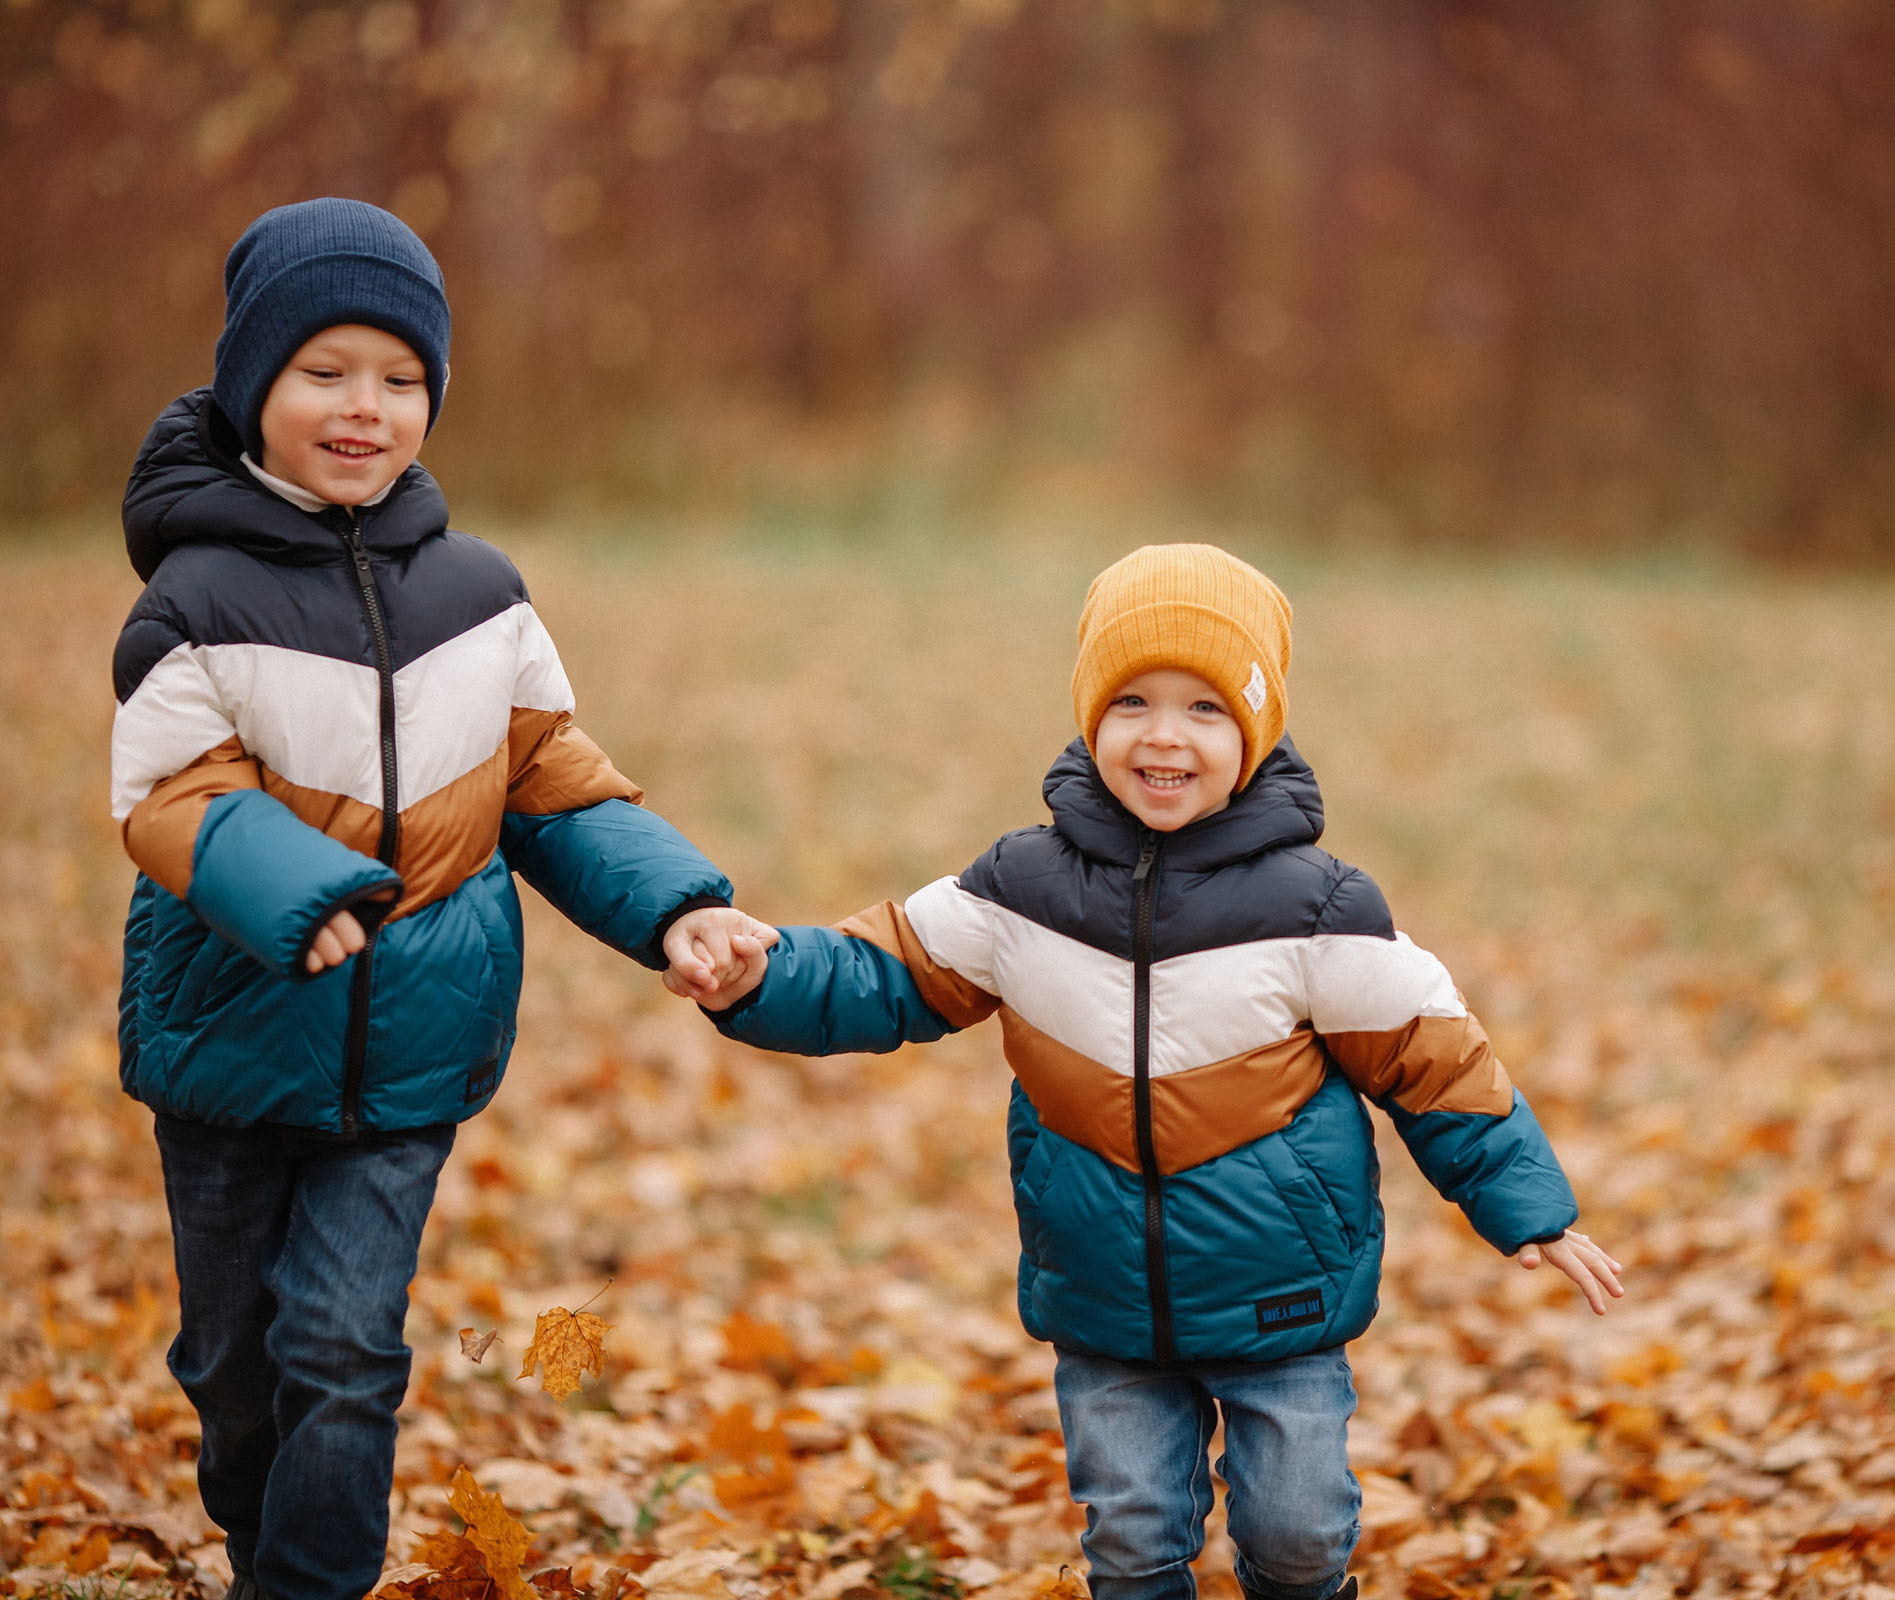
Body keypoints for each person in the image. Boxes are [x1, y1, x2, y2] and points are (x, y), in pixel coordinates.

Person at [673, 543, 1622, 1600]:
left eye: (1205, 708)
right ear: (1090, 717)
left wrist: (1528, 1207)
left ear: (1254, 732)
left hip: (1283, 1299)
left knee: (1299, 1536)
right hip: (1104, 1299)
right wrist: (756, 978)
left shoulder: (1317, 909)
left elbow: (1438, 1060)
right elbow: (880, 970)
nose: (1165, 734)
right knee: (1130, 1544)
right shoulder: (1021, 889)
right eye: (1132, 700)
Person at [109, 197, 773, 1600]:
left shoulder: (483, 597)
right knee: (235, 1366)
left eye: (402, 378)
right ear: (251, 386)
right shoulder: (190, 600)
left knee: (343, 1348)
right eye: (325, 372)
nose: (367, 408)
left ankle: (311, 1583)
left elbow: (555, 784)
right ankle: (255, 1526)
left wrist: (679, 909)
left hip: (412, 1046)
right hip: (232, 1038)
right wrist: (301, 889)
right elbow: (174, 796)